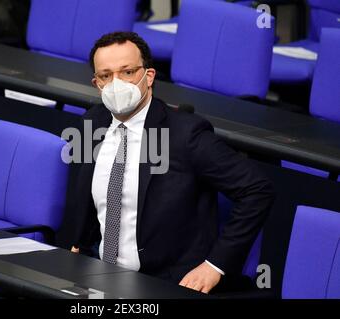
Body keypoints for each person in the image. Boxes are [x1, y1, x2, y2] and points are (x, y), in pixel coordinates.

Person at [66, 31, 275, 294]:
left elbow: (257, 190)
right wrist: (81, 243)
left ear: (148, 76)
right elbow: (91, 193)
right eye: (106, 76)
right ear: (96, 83)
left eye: (127, 72)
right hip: (98, 273)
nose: (116, 84)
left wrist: (214, 266)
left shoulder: (185, 135)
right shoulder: (93, 122)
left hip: (162, 283)